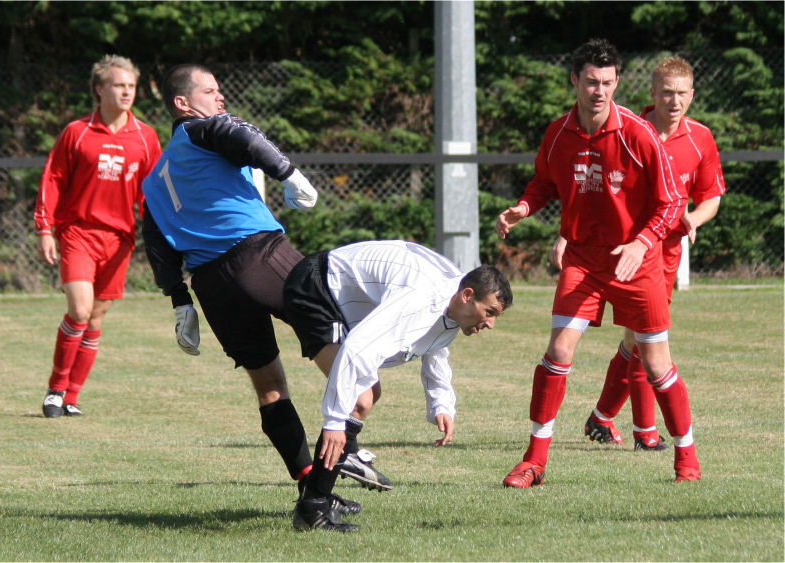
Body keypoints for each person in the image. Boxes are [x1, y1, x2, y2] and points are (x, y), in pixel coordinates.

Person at [141, 63, 386, 512]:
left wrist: (181, 304)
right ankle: (347, 452)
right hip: (260, 256)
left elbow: (157, 242)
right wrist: (290, 173)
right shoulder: (201, 131)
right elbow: (242, 134)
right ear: (182, 103)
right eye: (210, 90)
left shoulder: (155, 178)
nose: (220, 98)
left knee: (270, 388)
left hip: (212, 286)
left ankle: (312, 485)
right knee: (362, 385)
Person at [495, 39, 701, 487]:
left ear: (618, 82)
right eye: (591, 81)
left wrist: (640, 244)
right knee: (558, 351)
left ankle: (686, 456)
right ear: (575, 80)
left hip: (636, 261)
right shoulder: (558, 133)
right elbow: (543, 184)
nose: (599, 90)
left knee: (656, 364)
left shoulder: (638, 132)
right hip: (583, 260)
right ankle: (534, 460)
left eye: (608, 82)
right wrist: (523, 209)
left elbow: (671, 203)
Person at [550, 56, 724, 452]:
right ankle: (642, 432)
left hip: (664, 255)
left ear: (692, 96)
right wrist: (568, 235)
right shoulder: (630, 129)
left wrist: (694, 218)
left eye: (681, 94)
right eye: (666, 92)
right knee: (644, 345)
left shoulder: (700, 139)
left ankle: (604, 417)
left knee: (639, 343)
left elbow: (711, 195)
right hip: (619, 252)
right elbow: (585, 189)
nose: (674, 101)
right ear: (652, 93)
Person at [283, 240, 513, 531]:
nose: (491, 324)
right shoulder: (422, 299)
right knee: (360, 399)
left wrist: (442, 404)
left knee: (366, 397)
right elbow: (357, 349)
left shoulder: (455, 302)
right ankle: (314, 506)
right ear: (468, 295)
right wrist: (333, 421)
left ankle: (325, 483)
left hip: (334, 291)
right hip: (316, 287)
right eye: (490, 312)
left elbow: (436, 348)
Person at [35, 54, 162, 418]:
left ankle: (72, 396)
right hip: (78, 232)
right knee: (79, 309)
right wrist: (45, 228)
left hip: (120, 239)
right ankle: (56, 389)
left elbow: (151, 193)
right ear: (99, 89)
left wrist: (164, 235)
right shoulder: (77, 132)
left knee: (95, 319)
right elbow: (53, 180)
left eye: (131, 86)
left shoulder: (146, 137)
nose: (126, 92)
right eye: (119, 85)